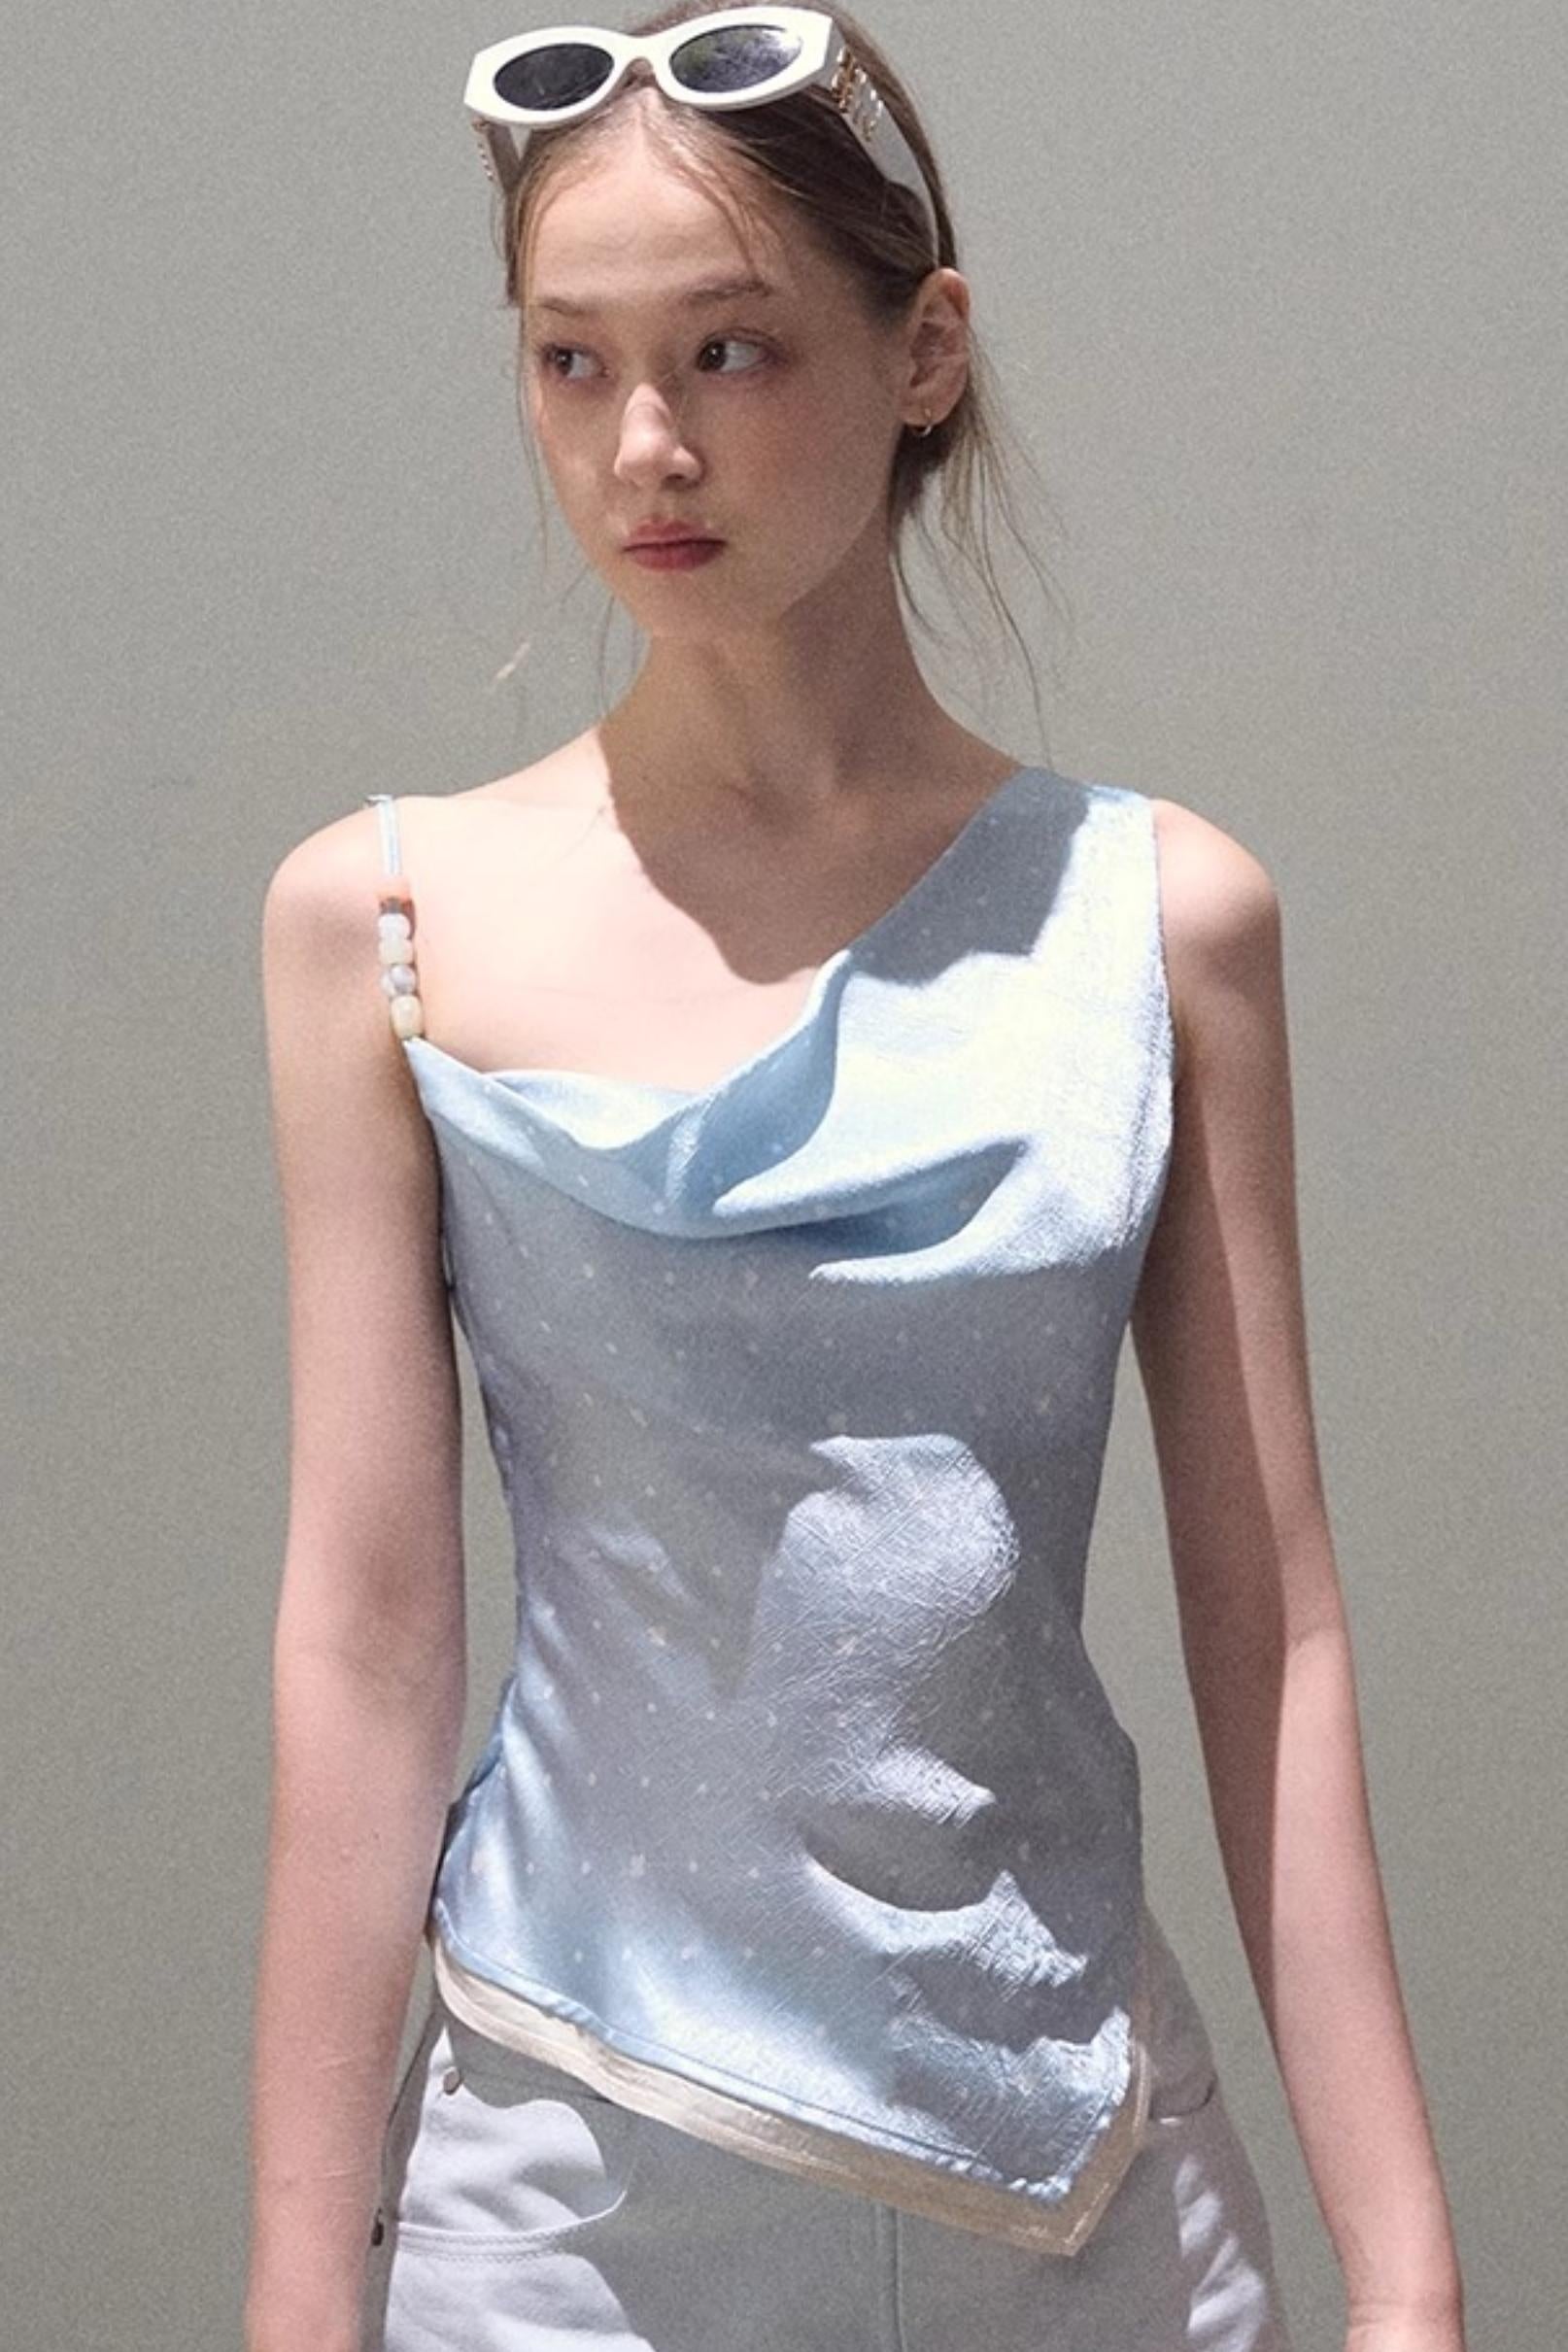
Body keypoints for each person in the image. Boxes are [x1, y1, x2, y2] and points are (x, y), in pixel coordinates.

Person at [245, 9, 1468, 2350]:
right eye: (573, 361)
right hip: (567, 2194)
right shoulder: (378, 925)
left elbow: (1275, 1619)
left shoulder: (1155, 924)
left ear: (924, 352)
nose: (648, 442)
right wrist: (299, 2293)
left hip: (1082, 2182)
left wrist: (1406, 2270)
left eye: (730, 348)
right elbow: (368, 1639)